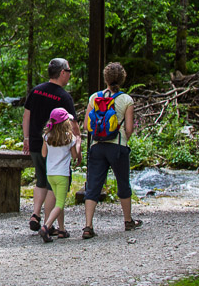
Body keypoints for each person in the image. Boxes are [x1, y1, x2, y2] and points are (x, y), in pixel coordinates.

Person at [82, 61, 141, 239]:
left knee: (93, 186)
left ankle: (88, 226)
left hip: (97, 146)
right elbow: (129, 129)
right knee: (123, 183)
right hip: (118, 147)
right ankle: (128, 220)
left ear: (105, 79)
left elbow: (86, 126)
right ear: (122, 79)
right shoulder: (126, 100)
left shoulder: (94, 98)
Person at [22, 58, 76, 233]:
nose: (69, 75)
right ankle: (48, 224)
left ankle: (35, 214)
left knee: (41, 180)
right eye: (68, 71)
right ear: (62, 73)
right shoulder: (64, 97)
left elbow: (26, 115)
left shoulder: (36, 91)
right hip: (55, 148)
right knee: (53, 185)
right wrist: (77, 141)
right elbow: (73, 124)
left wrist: (26, 138)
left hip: (37, 144)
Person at [38, 108, 81, 242]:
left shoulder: (47, 136)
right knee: (60, 204)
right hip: (62, 175)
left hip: (50, 174)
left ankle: (62, 229)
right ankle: (46, 226)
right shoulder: (70, 138)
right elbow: (74, 156)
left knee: (58, 201)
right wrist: (78, 144)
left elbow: (43, 154)